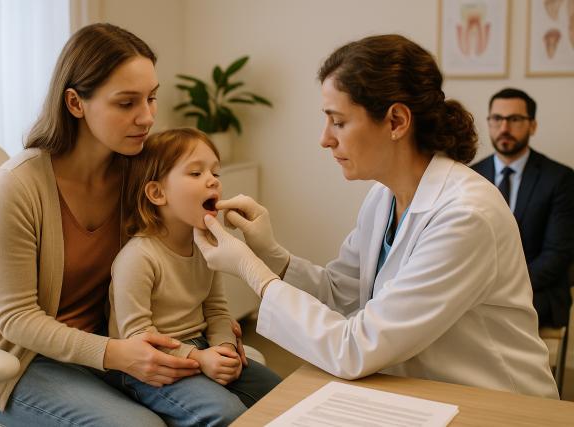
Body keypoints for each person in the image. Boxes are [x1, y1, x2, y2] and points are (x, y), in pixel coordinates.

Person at [194, 34, 559, 398]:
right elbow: (343, 295)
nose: (324, 139)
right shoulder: (382, 197)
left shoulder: (466, 215)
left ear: (397, 121)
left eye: (338, 122)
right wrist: (270, 253)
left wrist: (249, 270)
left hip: (498, 404)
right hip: (423, 394)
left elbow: (355, 348)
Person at [0, 23, 207, 426]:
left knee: (256, 399)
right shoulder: (17, 185)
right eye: (127, 103)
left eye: (152, 98)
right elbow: (17, 319)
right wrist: (117, 354)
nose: (147, 117)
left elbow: (171, 251)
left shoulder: (136, 175)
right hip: (20, 361)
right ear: (75, 103)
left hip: (106, 342)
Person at [105, 128, 280, 426]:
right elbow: (137, 337)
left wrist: (223, 348)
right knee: (227, 415)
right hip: (149, 365)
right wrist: (198, 359)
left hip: (201, 347)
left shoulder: (205, 247)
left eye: (215, 172)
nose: (212, 180)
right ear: (158, 193)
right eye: (196, 173)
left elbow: (216, 309)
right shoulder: (137, 257)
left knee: (279, 394)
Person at [472, 88, 574, 328]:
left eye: (515, 119)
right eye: (497, 119)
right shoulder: (471, 175)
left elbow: (556, 254)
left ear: (533, 125)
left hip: (537, 291)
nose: (504, 128)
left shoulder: (561, 179)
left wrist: (503, 288)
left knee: (484, 318)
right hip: (477, 288)